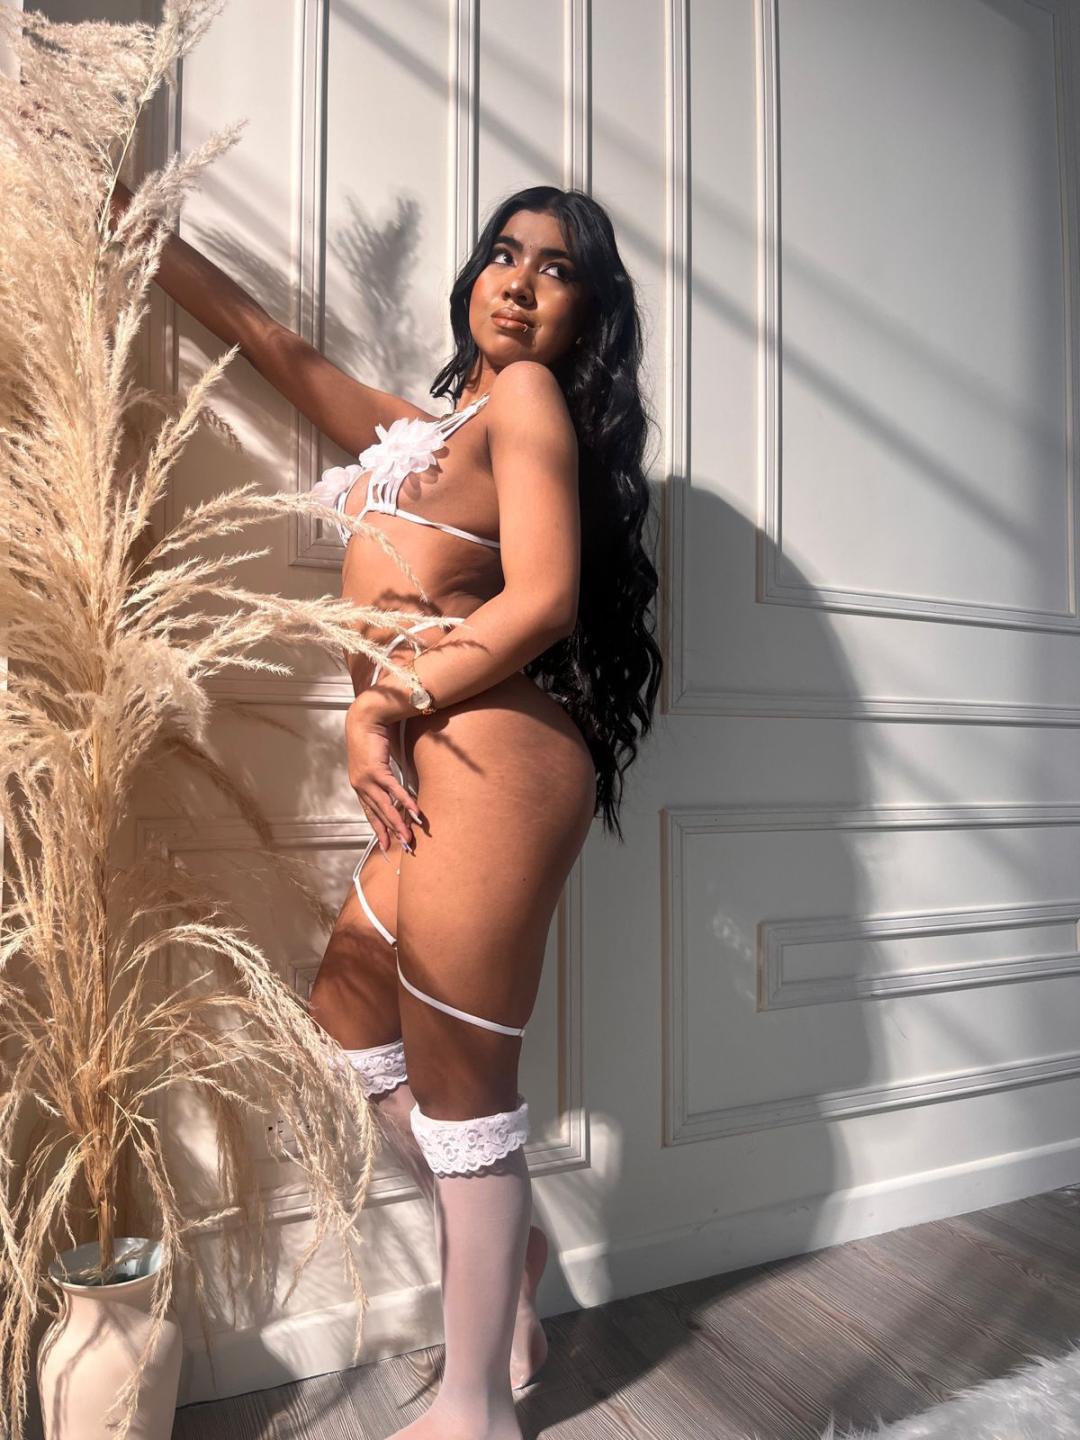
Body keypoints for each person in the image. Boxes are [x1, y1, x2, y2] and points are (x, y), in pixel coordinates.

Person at [109, 177, 662, 1439]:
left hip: (494, 757)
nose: (521, 281)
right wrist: (131, 216)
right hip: (437, 767)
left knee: (468, 1093)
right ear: (473, 275)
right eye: (505, 253)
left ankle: (475, 1405)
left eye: (558, 268)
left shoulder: (526, 402)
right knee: (349, 1021)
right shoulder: (424, 432)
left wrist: (378, 710)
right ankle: (508, 1252)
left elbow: (543, 599)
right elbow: (270, 344)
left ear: (587, 313)